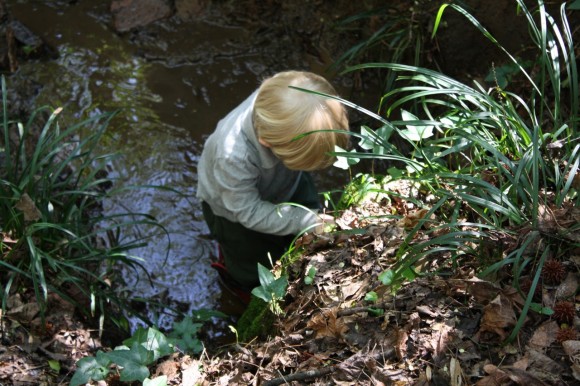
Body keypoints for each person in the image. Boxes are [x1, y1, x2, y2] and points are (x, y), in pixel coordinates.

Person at [197, 70, 349, 299]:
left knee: (299, 225)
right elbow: (247, 211)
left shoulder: (282, 97)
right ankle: (242, 291)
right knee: (251, 265)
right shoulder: (231, 156)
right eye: (301, 161)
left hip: (285, 182)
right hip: (234, 213)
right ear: (267, 144)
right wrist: (306, 219)